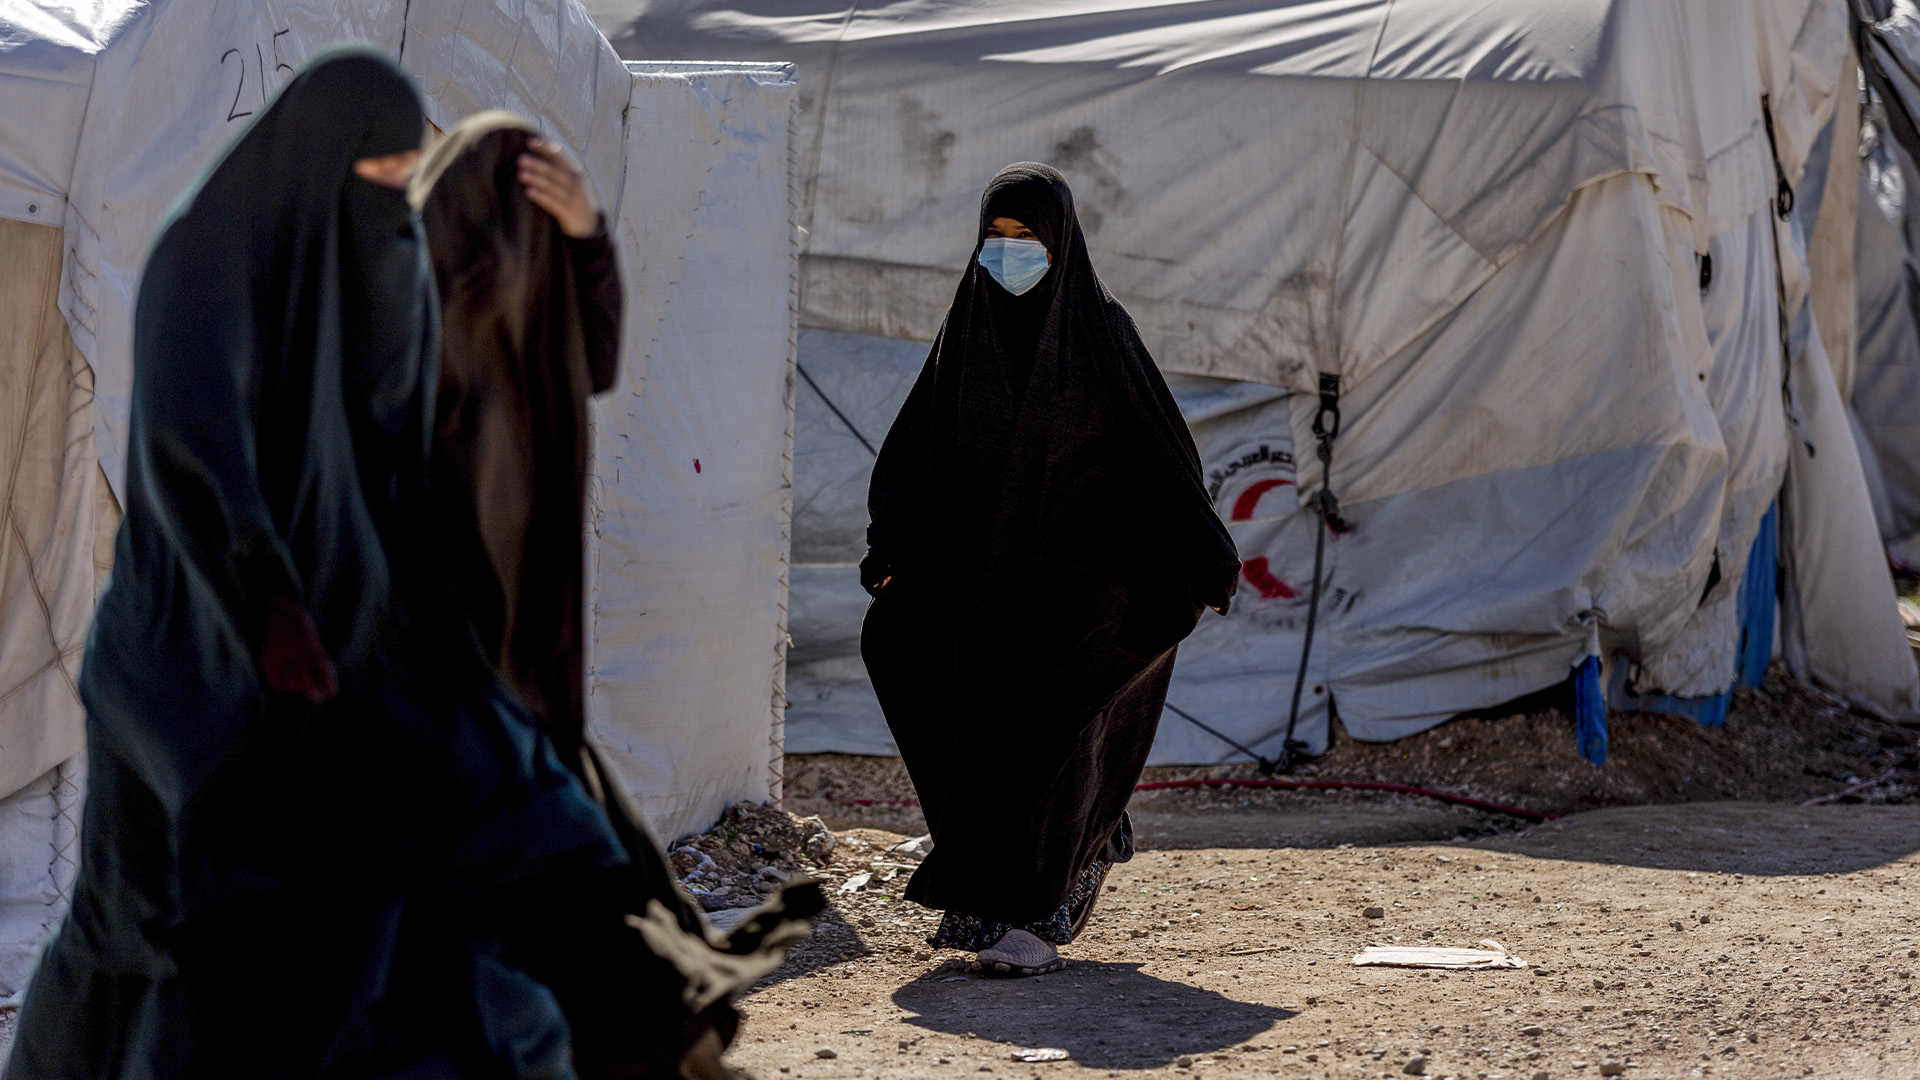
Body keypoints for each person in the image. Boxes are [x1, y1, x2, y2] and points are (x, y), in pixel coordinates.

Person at [408, 112, 820, 1079]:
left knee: (580, 868)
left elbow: (595, 353)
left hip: (530, 683)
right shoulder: (403, 356)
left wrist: (590, 239)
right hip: (443, 692)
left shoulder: (529, 357)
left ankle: (661, 1033)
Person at [860, 163, 1241, 977]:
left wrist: (1204, 558)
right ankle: (1029, 872)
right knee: (957, 721)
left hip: (1082, 589)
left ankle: (1030, 915)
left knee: (1047, 737)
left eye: (1026, 239)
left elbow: (1163, 454)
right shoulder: (967, 338)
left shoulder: (1100, 333)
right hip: (978, 589)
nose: (1007, 255)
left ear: (1061, 243)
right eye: (993, 239)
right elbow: (912, 458)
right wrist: (890, 554)